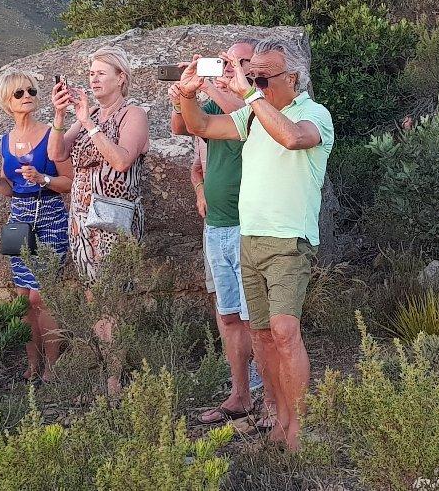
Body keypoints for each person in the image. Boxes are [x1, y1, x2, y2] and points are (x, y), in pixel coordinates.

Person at [176, 36, 334, 451]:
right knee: (261, 333)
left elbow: (293, 138)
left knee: (285, 330)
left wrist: (247, 93)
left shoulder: (314, 114)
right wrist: (187, 95)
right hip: (250, 237)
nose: (257, 83)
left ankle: (298, 426)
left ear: (293, 76)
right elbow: (201, 127)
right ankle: (279, 418)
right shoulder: (253, 114)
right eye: (253, 76)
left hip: (289, 240)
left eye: (264, 77)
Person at [169, 40, 273, 428]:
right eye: (228, 61)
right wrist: (183, 93)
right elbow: (183, 126)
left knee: (255, 317)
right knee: (229, 314)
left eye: (241, 62)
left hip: (249, 224)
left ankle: (268, 398)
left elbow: (246, 121)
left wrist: (217, 86)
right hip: (217, 226)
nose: (233, 67)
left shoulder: (262, 102)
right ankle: (240, 393)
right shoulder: (217, 98)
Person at [49, 45, 150, 395]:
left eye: (100, 72)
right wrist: (62, 116)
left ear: (121, 78)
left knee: (112, 297)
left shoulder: (131, 114)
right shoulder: (87, 113)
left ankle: (115, 380)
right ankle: (109, 368)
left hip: (113, 219)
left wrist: (90, 124)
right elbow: (57, 153)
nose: (93, 78)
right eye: (90, 72)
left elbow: (121, 161)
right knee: (95, 296)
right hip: (81, 217)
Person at [0, 71, 71, 384]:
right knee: (23, 296)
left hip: (50, 215)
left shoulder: (52, 134)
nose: (27, 96)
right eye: (19, 93)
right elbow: (9, 188)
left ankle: (52, 367)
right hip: (18, 218)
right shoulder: (5, 141)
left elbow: (70, 182)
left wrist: (43, 179)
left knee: (44, 296)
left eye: (31, 90)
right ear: (6, 102)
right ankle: (32, 363)